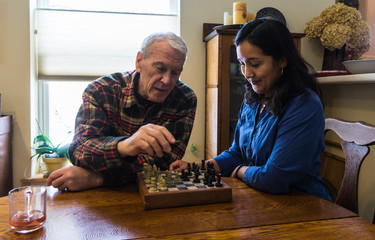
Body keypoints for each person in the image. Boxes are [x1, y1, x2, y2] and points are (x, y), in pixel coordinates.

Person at [170, 18, 332, 201]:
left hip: (306, 208)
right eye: (242, 63)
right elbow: (237, 153)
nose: (247, 74)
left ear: (282, 60)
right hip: (264, 201)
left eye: (255, 64)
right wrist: (196, 168)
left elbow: (274, 178)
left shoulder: (304, 105)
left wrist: (240, 170)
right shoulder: (253, 100)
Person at [47, 32, 197, 192]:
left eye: (175, 73)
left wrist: (97, 178)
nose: (167, 80)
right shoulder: (101, 91)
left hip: (148, 198)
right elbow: (80, 152)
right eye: (160, 68)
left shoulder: (184, 99)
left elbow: (163, 165)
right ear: (139, 62)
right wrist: (125, 146)